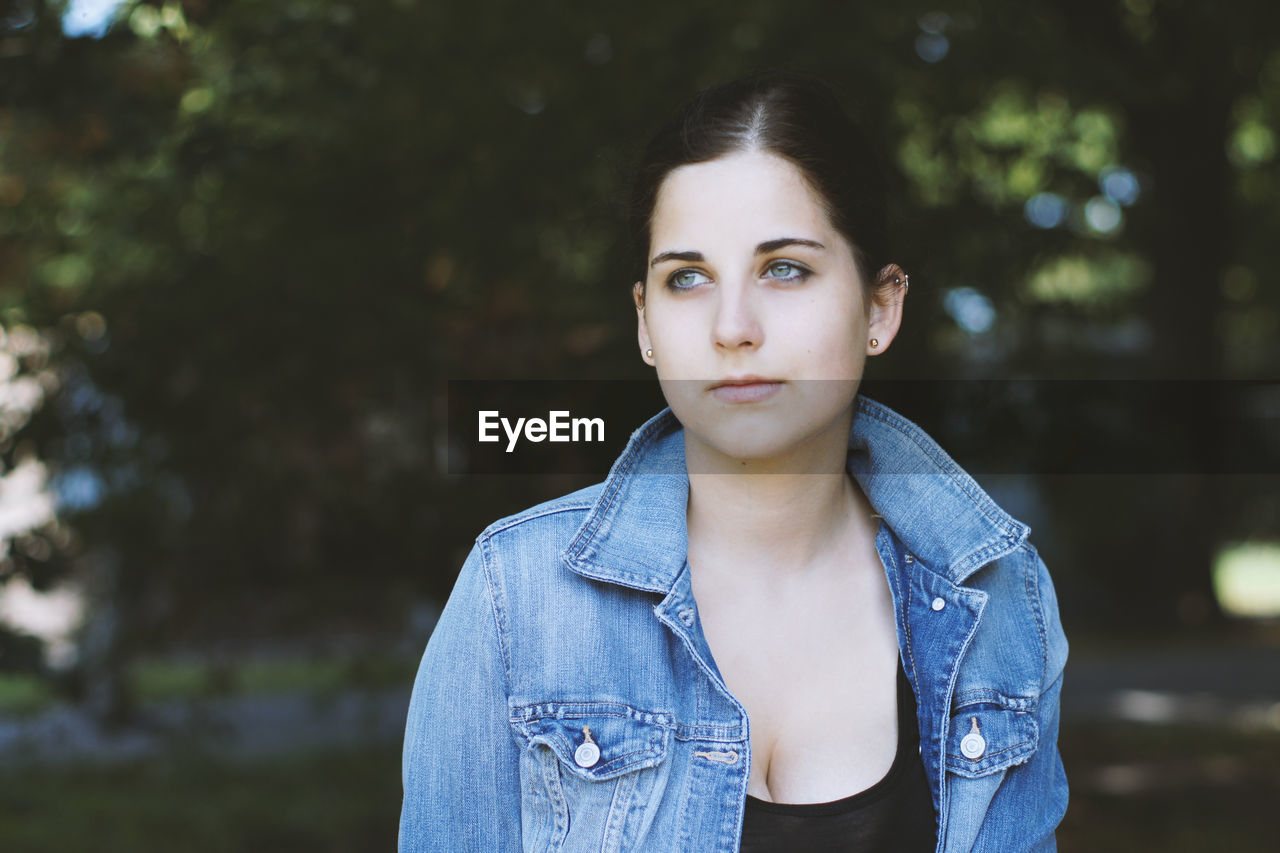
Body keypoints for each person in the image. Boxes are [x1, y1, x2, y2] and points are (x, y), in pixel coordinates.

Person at [399, 70, 1069, 852]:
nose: (732, 326)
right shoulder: (515, 596)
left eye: (784, 267)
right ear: (645, 322)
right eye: (687, 278)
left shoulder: (1001, 597)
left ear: (880, 307)